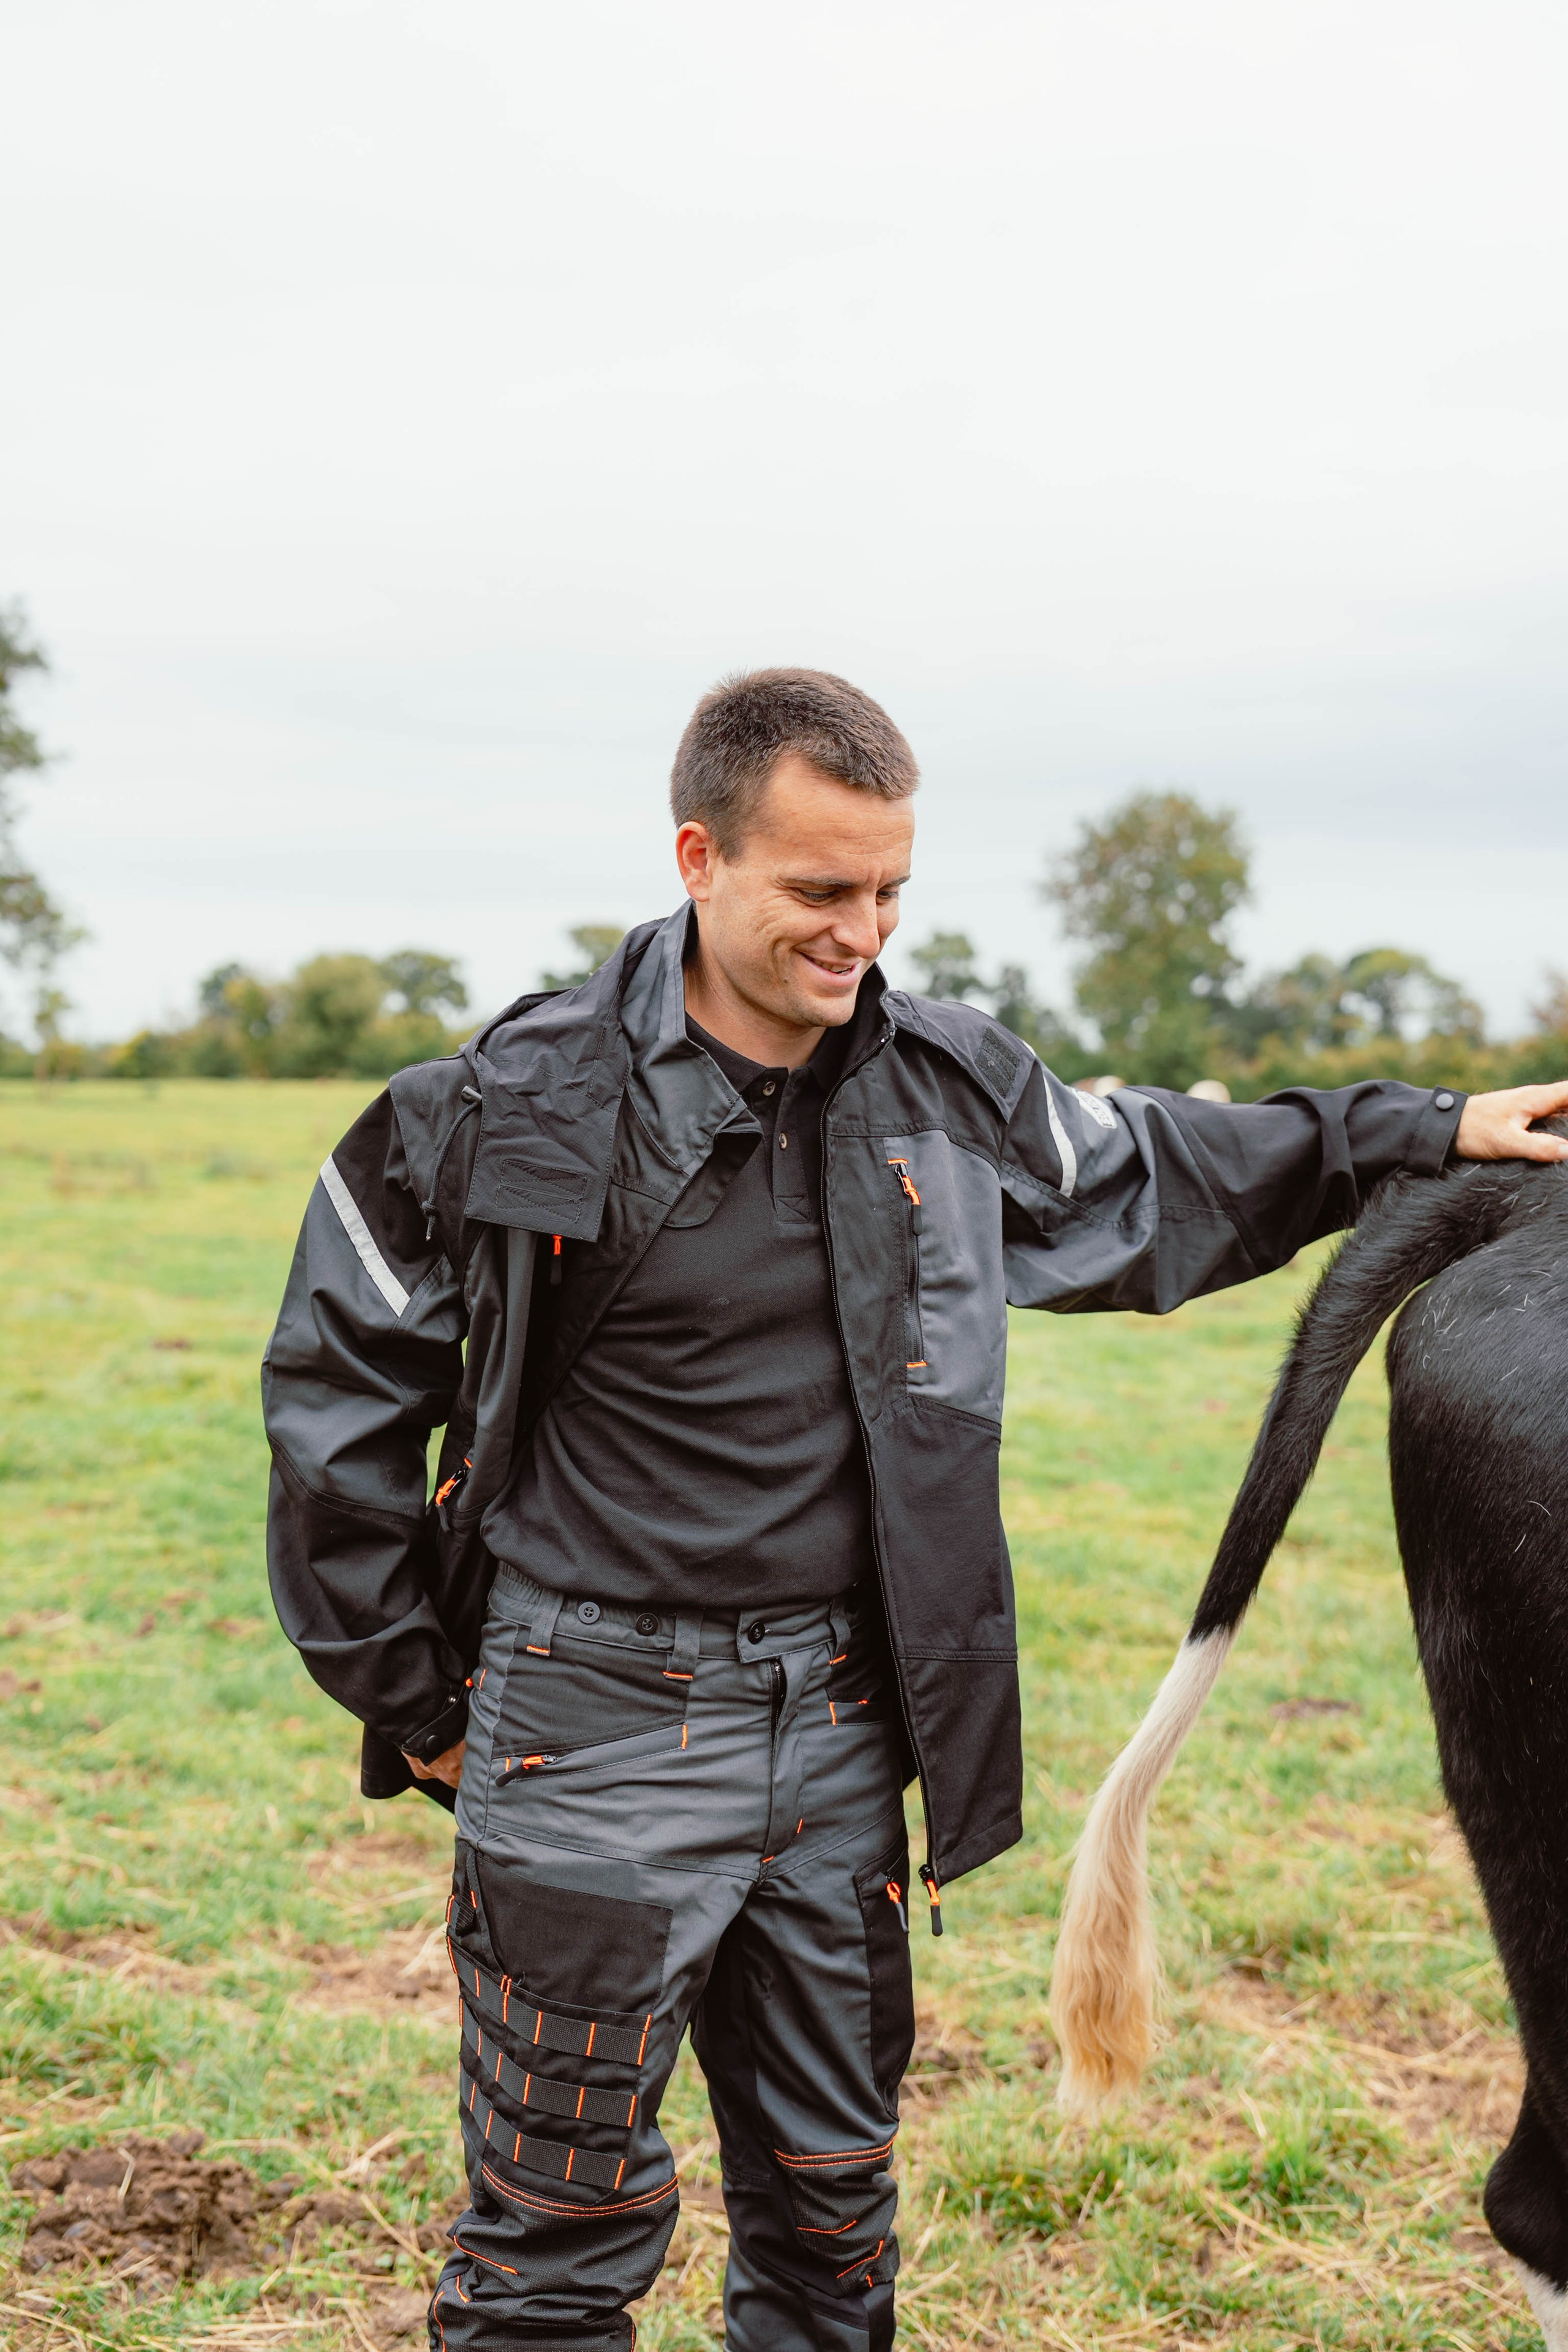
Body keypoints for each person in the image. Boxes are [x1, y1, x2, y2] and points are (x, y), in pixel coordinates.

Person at [262, 668, 1568, 2352]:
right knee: (554, 2252)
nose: (860, 931)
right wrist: (416, 1697)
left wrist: (1428, 1128)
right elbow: (336, 1389)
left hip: (837, 1728)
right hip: (582, 1724)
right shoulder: (510, 1103)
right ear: (698, 859)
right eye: (819, 890)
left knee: (832, 2227)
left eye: (887, 891)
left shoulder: (941, 1090)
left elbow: (1154, 1170)